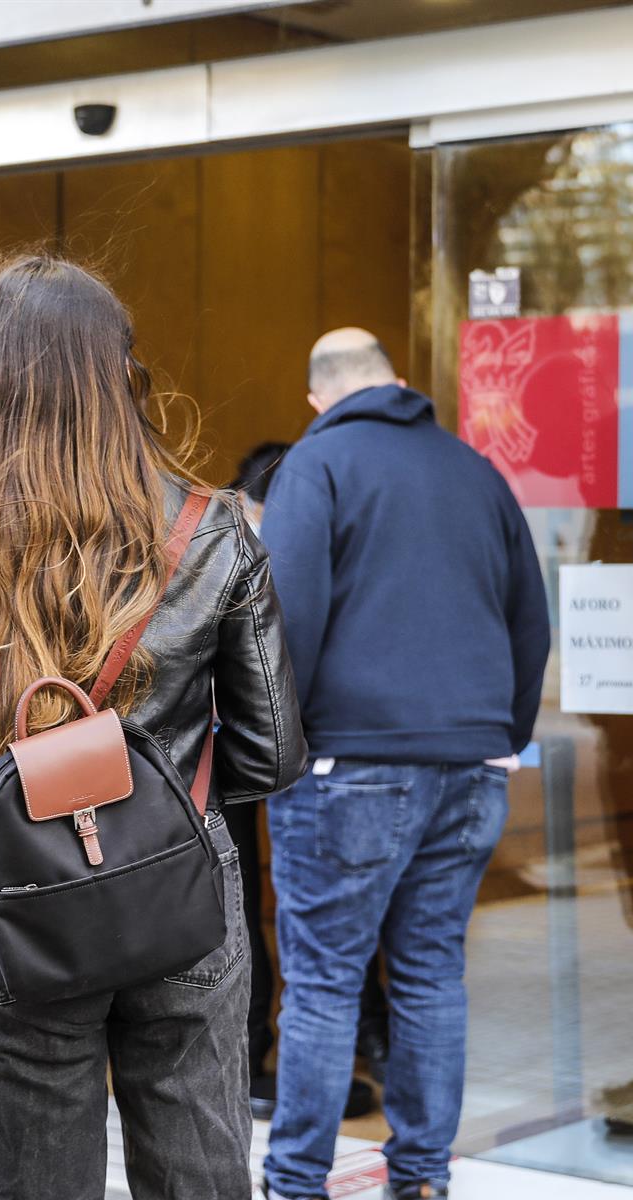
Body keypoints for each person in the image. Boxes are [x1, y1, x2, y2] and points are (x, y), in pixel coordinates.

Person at [0, 255, 305, 1200]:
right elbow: (269, 755)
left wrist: (32, 815)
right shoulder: (207, 530)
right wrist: (155, 804)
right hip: (183, 908)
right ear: (123, 375)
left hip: (19, 916)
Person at [252, 328, 549, 1200]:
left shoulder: (317, 464)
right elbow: (529, 620)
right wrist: (505, 737)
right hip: (469, 764)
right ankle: (423, 1184)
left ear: (318, 397)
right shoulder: (473, 471)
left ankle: (297, 1199)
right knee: (429, 973)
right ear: (397, 382)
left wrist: (273, 747)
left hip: (348, 766)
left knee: (325, 978)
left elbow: (284, 621)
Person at [223, 441, 379, 1124]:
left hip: (247, 744)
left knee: (260, 905)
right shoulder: (332, 539)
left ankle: (260, 1051)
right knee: (321, 910)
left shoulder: (229, 544)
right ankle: (328, 1047)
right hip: (302, 748)